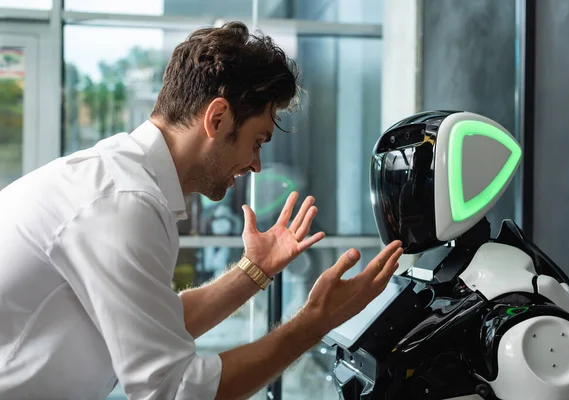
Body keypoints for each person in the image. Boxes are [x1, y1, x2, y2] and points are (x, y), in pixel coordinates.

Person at [0, 21, 403, 400]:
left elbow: (158, 323)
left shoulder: (123, 182)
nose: (256, 165)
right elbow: (174, 390)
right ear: (218, 117)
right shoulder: (123, 204)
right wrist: (314, 322)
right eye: (257, 141)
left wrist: (254, 270)